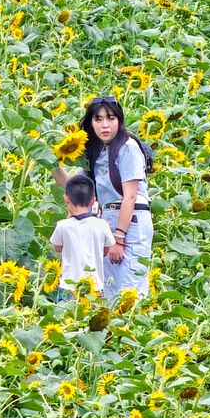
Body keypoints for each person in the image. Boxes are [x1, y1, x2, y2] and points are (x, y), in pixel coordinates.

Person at [52, 97, 153, 300]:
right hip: (108, 221)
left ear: (119, 121)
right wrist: (51, 162)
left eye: (110, 118)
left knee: (129, 290)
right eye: (98, 119)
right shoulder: (96, 152)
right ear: (91, 123)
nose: (105, 125)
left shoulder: (127, 147)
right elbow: (73, 186)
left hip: (130, 224)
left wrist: (119, 238)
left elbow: (130, 196)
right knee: (107, 289)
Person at [49, 174, 116, 298]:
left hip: (69, 287)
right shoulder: (102, 225)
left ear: (66, 198)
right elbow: (105, 251)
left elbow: (58, 248)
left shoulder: (62, 225)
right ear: (93, 200)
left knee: (66, 316)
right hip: (94, 286)